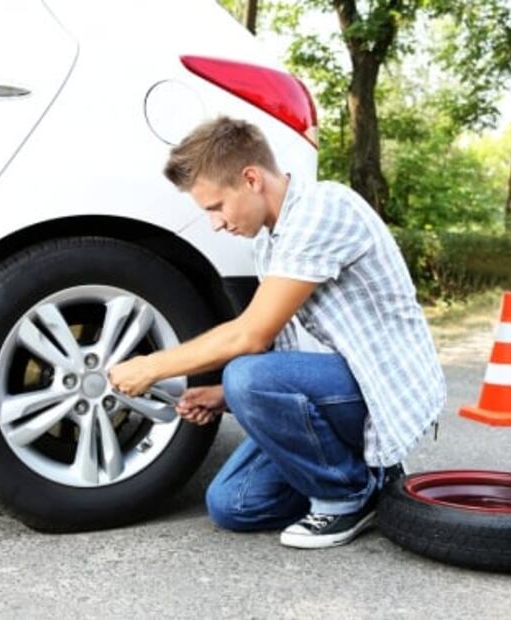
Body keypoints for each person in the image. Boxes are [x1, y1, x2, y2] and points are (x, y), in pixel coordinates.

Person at [109, 116, 445, 549]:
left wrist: (151, 367)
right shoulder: (271, 243)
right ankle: (371, 478)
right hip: (343, 384)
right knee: (233, 504)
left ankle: (347, 497)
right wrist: (223, 398)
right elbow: (283, 354)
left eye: (215, 207)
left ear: (251, 179)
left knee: (245, 374)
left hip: (385, 386)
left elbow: (250, 337)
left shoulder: (322, 210)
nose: (216, 223)